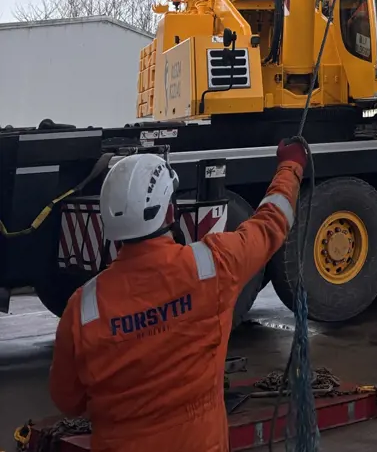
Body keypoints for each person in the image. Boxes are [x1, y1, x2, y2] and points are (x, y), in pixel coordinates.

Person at [49, 137, 308, 452]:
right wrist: (291, 165)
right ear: (170, 211)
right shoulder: (213, 267)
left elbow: (68, 400)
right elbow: (271, 223)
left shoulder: (83, 308)